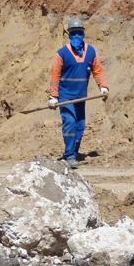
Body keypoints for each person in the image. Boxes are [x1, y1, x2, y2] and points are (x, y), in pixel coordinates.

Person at [48, 17, 108, 168]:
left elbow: (97, 70)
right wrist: (53, 96)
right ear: (69, 35)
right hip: (66, 96)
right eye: (73, 33)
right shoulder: (61, 54)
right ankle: (69, 155)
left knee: (80, 125)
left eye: (79, 33)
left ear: (83, 34)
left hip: (81, 96)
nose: (76, 36)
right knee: (70, 123)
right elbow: (55, 76)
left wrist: (103, 86)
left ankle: (74, 152)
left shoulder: (91, 51)